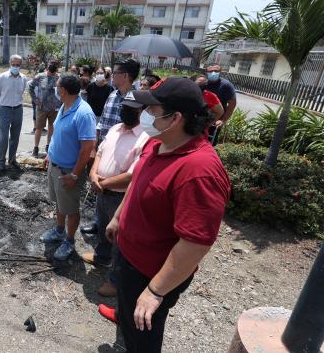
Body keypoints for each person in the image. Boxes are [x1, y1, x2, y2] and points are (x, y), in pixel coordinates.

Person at [106, 77, 230, 352]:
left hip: (150, 273)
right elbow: (137, 180)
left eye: (152, 110)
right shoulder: (157, 143)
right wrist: (118, 216)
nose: (145, 115)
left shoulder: (199, 170)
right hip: (129, 257)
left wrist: (155, 291)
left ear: (175, 119)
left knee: (143, 336)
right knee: (128, 319)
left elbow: (196, 243)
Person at [82, 100, 147, 297]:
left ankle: (115, 280)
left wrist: (103, 182)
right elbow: (100, 153)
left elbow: (132, 175)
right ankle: (102, 256)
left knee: (120, 239)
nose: (125, 112)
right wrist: (93, 175)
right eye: (124, 108)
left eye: (132, 110)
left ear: (142, 112)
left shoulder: (144, 138)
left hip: (121, 197)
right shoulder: (116, 128)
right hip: (102, 191)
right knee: (102, 226)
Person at [40, 74, 96, 261]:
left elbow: (87, 147)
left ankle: (69, 241)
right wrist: (50, 153)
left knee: (71, 208)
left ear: (63, 90)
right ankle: (58, 230)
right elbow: (58, 134)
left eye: (57, 86)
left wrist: (74, 175)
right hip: (55, 166)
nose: (56, 89)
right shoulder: (65, 106)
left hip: (68, 172)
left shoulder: (83, 113)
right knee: (60, 203)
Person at [81, 58, 140, 235]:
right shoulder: (113, 94)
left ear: (126, 76)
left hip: (122, 156)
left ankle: (111, 236)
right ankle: (99, 223)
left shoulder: (137, 101)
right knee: (100, 192)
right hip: (104, 150)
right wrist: (95, 147)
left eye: (115, 73)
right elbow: (103, 124)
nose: (110, 76)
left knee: (114, 197)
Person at [0, 55, 27, 172]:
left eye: (18, 65)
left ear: (20, 65)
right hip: (5, 109)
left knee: (15, 136)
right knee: (3, 136)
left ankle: (12, 160)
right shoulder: (2, 77)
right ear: (9, 63)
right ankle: (1, 162)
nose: (15, 67)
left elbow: (22, 92)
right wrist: (0, 107)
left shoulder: (23, 78)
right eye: (13, 64)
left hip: (18, 109)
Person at [28, 60, 61, 157]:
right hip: (42, 107)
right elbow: (30, 87)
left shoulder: (58, 77)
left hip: (54, 108)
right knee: (39, 128)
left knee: (52, 127)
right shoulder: (40, 76)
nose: (53, 67)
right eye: (51, 65)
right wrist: (35, 99)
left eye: (55, 66)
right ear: (48, 65)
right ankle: (36, 147)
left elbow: (61, 90)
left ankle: (48, 146)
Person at [204, 64, 237, 144]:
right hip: (199, 117)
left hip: (215, 120)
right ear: (206, 72)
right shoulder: (203, 83)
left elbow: (232, 104)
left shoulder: (226, 85)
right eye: (211, 71)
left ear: (220, 72)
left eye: (216, 71)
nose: (213, 73)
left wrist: (223, 120)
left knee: (209, 143)